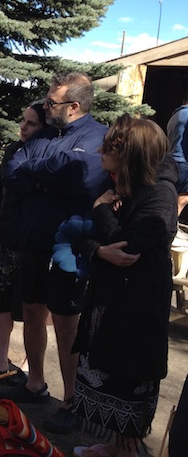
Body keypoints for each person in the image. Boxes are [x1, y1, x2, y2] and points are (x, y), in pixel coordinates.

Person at [0, 72, 108, 435]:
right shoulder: (45, 132)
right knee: (31, 310)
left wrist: (37, 175)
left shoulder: (97, 137)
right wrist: (45, 174)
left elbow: (83, 179)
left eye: (51, 103)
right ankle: (36, 384)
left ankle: (72, 399)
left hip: (69, 247)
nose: (45, 108)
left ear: (74, 106)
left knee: (65, 321)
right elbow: (12, 172)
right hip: (33, 239)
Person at [71, 114, 177, 457]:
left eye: (114, 168)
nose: (109, 175)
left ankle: (128, 451)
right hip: (108, 306)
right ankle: (116, 447)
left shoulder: (160, 196)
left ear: (132, 159)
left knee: (127, 385)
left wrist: (102, 212)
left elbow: (127, 251)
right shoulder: (125, 188)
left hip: (136, 314)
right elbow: (88, 240)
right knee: (103, 375)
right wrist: (98, 249)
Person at [0, 101, 46, 383]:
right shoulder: (12, 151)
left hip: (32, 243)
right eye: (23, 121)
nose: (23, 127)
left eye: (31, 123)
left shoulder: (48, 157)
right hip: (4, 237)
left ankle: (28, 365)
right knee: (2, 301)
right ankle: (1, 360)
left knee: (32, 306)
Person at [166, 91, 188, 215]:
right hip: (184, 162)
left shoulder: (176, 115)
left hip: (173, 160)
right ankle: (171, 225)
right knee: (182, 198)